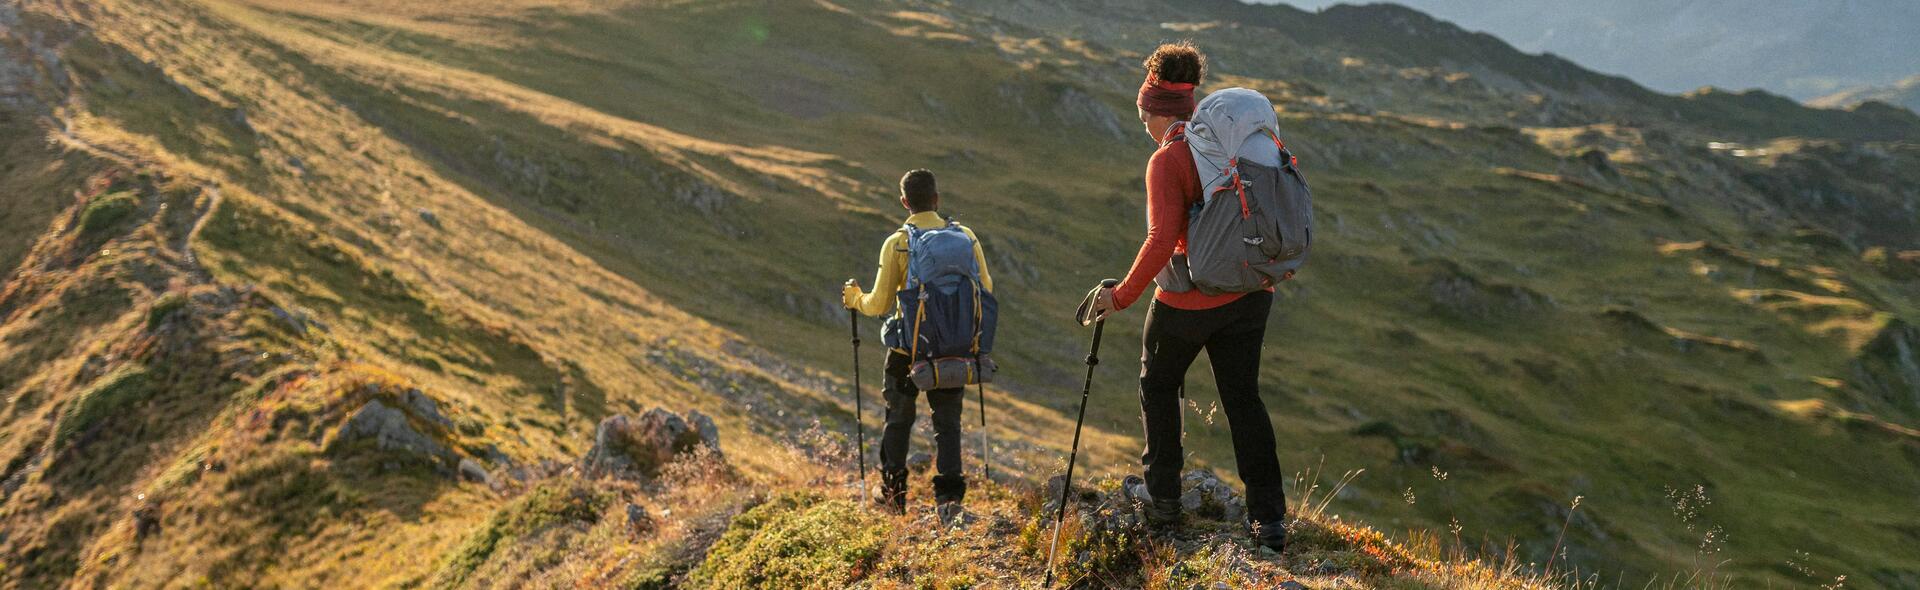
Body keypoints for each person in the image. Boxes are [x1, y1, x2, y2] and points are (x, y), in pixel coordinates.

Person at [1088, 42, 1289, 552]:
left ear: (1154, 110)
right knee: (1244, 400)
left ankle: (1165, 504)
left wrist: (1123, 296)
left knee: (1158, 385)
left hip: (1187, 302)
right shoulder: (1233, 147)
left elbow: (1162, 240)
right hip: (1250, 295)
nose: (1143, 125)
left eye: (1142, 115)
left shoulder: (1168, 159)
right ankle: (1268, 520)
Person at [843, 169, 994, 520]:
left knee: (898, 418)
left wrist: (854, 299)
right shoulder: (966, 237)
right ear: (937, 199)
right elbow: (985, 290)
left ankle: (894, 496)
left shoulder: (897, 242)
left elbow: (879, 304)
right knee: (948, 423)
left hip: (906, 350)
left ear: (905, 202)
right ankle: (950, 500)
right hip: (952, 349)